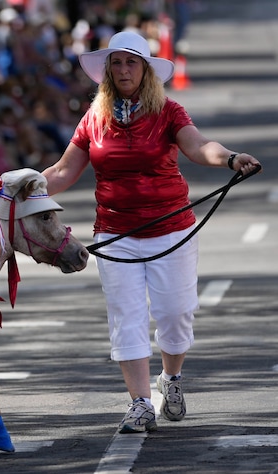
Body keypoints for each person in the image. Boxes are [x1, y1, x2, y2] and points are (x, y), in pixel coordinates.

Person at [41, 31, 261, 434]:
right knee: (127, 317)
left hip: (171, 229)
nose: (124, 70)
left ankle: (170, 379)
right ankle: (140, 403)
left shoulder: (169, 111)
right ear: (107, 70)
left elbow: (198, 147)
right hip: (116, 232)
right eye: (117, 63)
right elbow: (61, 172)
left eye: (132, 62)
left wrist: (230, 159)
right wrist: (13, 189)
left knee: (175, 315)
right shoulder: (94, 118)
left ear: (145, 69)